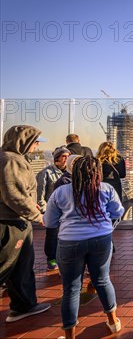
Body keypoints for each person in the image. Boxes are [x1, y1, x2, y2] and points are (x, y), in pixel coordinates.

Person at [44, 156, 124, 339]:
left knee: (71, 288)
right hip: (101, 239)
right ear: (98, 171)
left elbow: (49, 221)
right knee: (102, 280)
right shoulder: (105, 189)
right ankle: (113, 322)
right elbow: (118, 212)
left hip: (69, 242)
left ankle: (70, 334)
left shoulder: (61, 192)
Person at [0, 126, 51, 322]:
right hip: (11, 223)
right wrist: (36, 215)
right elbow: (14, 195)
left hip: (16, 221)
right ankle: (23, 305)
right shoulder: (11, 160)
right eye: (35, 141)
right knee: (6, 265)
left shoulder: (8, 157)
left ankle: (24, 305)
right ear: (24, 141)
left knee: (21, 265)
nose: (37, 145)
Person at [37, 146, 70, 271]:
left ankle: (63, 258)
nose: (66, 159)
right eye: (63, 156)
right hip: (52, 210)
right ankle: (51, 258)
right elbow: (40, 194)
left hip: (66, 210)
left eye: (68, 156)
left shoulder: (70, 173)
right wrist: (44, 211)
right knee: (52, 235)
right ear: (57, 158)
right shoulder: (46, 173)